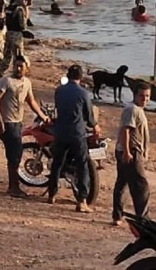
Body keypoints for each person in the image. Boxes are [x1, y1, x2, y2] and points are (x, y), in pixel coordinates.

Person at [0, 57, 50, 198]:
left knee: (15, 155)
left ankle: (13, 186)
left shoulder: (27, 83)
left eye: (21, 67)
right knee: (14, 155)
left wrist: (43, 116)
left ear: (27, 68)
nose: (18, 69)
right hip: (8, 123)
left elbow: (31, 101)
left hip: (18, 122)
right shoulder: (6, 81)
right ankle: (13, 187)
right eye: (16, 66)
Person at [47, 65, 99, 213]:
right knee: (82, 165)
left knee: (57, 163)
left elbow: (58, 109)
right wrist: (94, 125)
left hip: (60, 132)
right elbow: (89, 117)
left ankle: (51, 194)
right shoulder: (83, 94)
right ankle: (82, 200)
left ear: (68, 76)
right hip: (77, 134)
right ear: (80, 77)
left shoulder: (59, 90)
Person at [112, 83, 152, 226]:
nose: (145, 99)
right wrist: (127, 152)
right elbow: (126, 131)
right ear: (135, 95)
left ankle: (117, 215)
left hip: (126, 151)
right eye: (142, 95)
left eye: (147, 96)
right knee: (141, 186)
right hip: (131, 153)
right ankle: (143, 220)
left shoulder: (137, 109)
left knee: (122, 183)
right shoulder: (132, 109)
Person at [0, 0, 29, 78]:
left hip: (8, 33)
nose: (26, 2)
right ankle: (17, 74)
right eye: (25, 0)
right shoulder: (19, 9)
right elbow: (22, 25)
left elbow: (4, 20)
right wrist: (26, 10)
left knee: (7, 56)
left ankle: (0, 73)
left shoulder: (9, 7)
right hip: (17, 35)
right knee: (18, 57)